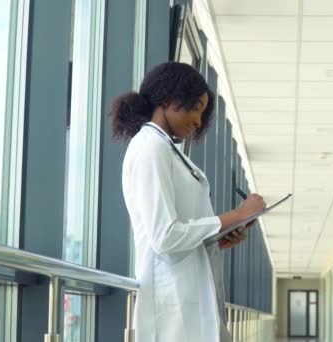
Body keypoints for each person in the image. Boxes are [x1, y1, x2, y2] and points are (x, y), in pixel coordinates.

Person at [110, 61, 265, 342]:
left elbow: (180, 228)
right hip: (172, 306)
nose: (197, 120)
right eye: (195, 108)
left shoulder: (163, 148)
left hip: (188, 298)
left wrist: (216, 238)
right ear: (168, 100)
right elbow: (165, 236)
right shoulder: (150, 148)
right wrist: (237, 214)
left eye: (202, 113)